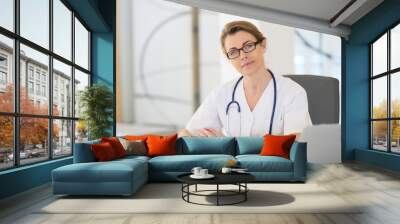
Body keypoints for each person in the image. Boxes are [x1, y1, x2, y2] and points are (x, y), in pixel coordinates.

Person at [178, 20, 312, 139]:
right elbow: (185, 134)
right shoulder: (222, 94)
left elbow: (296, 146)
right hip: (232, 167)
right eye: (233, 52)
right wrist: (210, 143)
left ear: (263, 45)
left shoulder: (292, 92)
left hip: (276, 167)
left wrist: (227, 145)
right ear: (228, 58)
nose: (242, 56)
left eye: (248, 46)